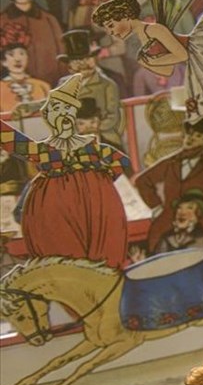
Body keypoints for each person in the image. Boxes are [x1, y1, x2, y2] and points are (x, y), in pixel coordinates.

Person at [0, 74, 130, 267]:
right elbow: (13, 142)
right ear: (49, 117)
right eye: (57, 110)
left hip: (93, 204)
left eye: (68, 109)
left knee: (99, 250)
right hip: (54, 207)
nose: (63, 115)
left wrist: (102, 181)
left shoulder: (91, 146)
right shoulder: (44, 150)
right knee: (61, 254)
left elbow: (121, 161)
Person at [135, 115, 203, 253]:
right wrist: (155, 206)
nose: (190, 138)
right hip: (166, 222)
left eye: (198, 136)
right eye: (189, 133)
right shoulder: (170, 163)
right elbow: (142, 181)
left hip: (201, 224)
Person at [56, 29, 122, 147]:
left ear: (94, 59)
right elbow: (57, 110)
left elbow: (113, 117)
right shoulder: (63, 84)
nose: (84, 64)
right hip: (74, 136)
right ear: (69, 66)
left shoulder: (107, 84)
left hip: (104, 136)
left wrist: (92, 128)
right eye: (77, 61)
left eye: (87, 59)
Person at [0, 39, 51, 116]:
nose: (18, 59)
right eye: (11, 55)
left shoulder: (43, 86)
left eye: (22, 54)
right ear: (4, 62)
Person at [155, 188, 203, 253]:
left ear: (197, 215)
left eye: (189, 208)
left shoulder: (202, 238)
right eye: (179, 208)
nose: (182, 213)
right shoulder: (166, 237)